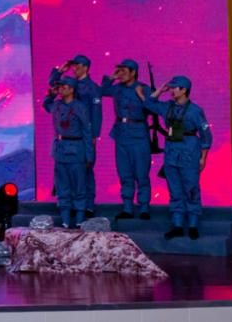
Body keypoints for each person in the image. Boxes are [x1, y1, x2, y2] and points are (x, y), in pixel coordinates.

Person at [136, 75, 212, 240]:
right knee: (175, 190)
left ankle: (193, 225)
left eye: (174, 87)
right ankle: (177, 225)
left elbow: (206, 135)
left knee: (191, 189)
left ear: (184, 90)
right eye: (170, 88)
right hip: (171, 152)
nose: (171, 90)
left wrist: (203, 158)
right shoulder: (167, 107)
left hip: (189, 151)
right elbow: (148, 104)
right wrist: (160, 91)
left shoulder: (195, 110)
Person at [50, 54, 103, 217]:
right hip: (69, 135)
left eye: (78, 66)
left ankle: (88, 205)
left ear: (86, 67)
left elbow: (96, 113)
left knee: (86, 169)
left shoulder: (92, 88)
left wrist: (94, 135)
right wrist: (60, 71)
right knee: (67, 171)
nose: (75, 69)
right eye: (74, 66)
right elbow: (53, 86)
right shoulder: (70, 83)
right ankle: (70, 204)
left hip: (84, 135)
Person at [101, 59, 153, 220]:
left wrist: (143, 97)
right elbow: (103, 91)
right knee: (124, 173)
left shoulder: (143, 88)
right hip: (121, 134)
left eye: (124, 71)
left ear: (133, 72)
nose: (121, 74)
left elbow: (153, 108)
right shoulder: (117, 88)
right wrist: (111, 77)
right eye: (119, 70)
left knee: (141, 174)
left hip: (138, 134)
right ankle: (127, 207)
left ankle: (144, 207)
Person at [42, 77, 93, 228]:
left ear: (72, 89)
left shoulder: (80, 107)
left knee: (79, 187)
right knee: (62, 186)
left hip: (76, 150)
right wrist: (51, 94)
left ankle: (79, 219)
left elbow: (87, 132)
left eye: (64, 87)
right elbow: (46, 105)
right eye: (60, 87)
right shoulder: (57, 105)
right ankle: (65, 220)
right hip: (61, 150)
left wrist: (89, 155)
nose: (61, 89)